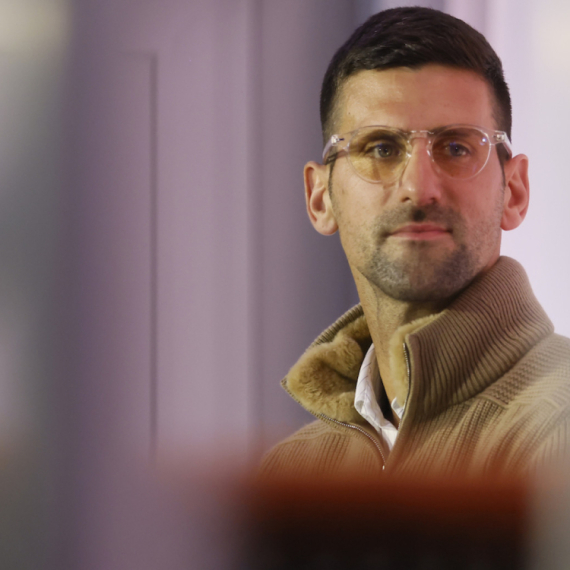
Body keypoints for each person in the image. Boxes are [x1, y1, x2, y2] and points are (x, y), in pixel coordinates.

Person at [260, 6, 570, 479]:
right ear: (320, 198)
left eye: (457, 147)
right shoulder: (289, 474)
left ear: (514, 191)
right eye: (381, 148)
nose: (419, 187)